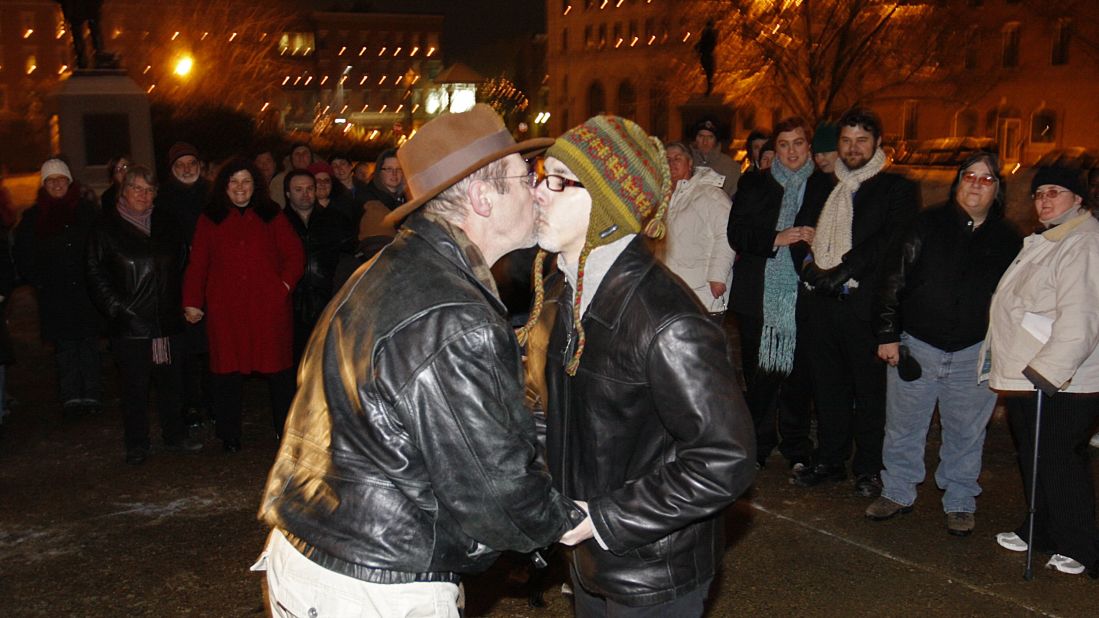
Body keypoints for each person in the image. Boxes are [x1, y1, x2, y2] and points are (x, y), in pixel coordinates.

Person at [256, 104, 588, 617]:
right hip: (372, 582)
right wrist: (576, 520)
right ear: (482, 196)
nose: (538, 191)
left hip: (318, 550)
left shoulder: (388, 268)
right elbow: (495, 495)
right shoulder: (455, 317)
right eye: (527, 178)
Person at [521, 114, 755, 615]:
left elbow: (726, 458)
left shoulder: (666, 322)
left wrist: (605, 519)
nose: (540, 191)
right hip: (588, 557)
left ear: (607, 204)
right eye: (542, 175)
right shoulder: (565, 294)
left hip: (653, 570)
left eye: (559, 181)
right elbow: (549, 412)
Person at [865, 153, 1020, 536]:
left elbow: (1016, 299)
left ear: (997, 189)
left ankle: (960, 499)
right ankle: (898, 491)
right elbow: (891, 279)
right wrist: (887, 334)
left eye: (986, 179)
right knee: (903, 427)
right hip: (918, 345)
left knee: (967, 432)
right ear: (957, 182)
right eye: (970, 176)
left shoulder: (1009, 238)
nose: (976, 185)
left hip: (974, 353)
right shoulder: (925, 224)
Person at [792, 107, 920, 497]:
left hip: (865, 306)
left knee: (868, 392)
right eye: (846, 140)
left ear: (878, 143)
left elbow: (891, 241)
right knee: (827, 386)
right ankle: (831, 459)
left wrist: (844, 271)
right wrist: (811, 270)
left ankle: (868, 467)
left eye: (861, 140)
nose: (852, 148)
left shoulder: (896, 188)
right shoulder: (821, 184)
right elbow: (803, 232)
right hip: (820, 302)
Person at [986, 167, 1099, 577]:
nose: (1045, 200)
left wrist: (1048, 373)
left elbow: (1082, 318)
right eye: (1039, 194)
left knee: (1059, 459)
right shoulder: (1047, 239)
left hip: (1065, 380)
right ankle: (1042, 529)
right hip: (1029, 372)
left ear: (1079, 200)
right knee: (1036, 456)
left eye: (1056, 192)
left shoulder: (1084, 243)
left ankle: (1081, 545)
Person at [728, 117, 833, 470]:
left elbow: (838, 233)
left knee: (797, 375)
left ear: (809, 146)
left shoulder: (826, 186)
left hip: (805, 293)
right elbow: (736, 233)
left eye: (798, 143)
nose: (791, 151)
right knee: (761, 375)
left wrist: (820, 239)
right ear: (776, 148)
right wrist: (777, 236)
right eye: (784, 144)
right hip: (757, 294)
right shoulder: (756, 183)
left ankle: (796, 446)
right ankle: (756, 443)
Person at [182, 158, 303, 451]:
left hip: (268, 308)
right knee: (227, 373)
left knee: (279, 374)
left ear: (255, 185)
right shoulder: (210, 218)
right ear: (224, 186)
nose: (240, 188)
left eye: (246, 181)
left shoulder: (270, 214)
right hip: (227, 310)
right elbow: (198, 263)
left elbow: (295, 255)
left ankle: (284, 430)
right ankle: (229, 434)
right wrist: (192, 301)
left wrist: (283, 287)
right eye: (234, 182)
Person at [86, 165, 203, 464]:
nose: (143, 194)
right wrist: (118, 310)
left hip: (167, 319)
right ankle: (137, 443)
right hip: (130, 324)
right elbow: (95, 274)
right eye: (136, 188)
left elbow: (182, 262)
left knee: (172, 383)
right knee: (135, 387)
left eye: (149, 190)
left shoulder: (166, 222)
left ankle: (174, 436)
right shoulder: (106, 227)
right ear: (124, 191)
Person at [13, 158, 103, 417]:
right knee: (64, 346)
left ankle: (92, 392)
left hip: (85, 290)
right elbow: (23, 253)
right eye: (51, 180)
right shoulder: (33, 217)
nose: (56, 184)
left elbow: (99, 246)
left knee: (88, 343)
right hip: (55, 293)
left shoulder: (86, 211)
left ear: (69, 181)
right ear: (44, 184)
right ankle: (71, 395)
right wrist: (38, 281)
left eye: (61, 179)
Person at [157, 141, 212, 426]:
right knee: (187, 346)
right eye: (181, 165)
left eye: (192, 164)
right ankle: (191, 402)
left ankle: (213, 399)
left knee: (214, 342)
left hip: (212, 279)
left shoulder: (212, 193)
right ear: (173, 169)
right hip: (179, 280)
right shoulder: (163, 198)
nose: (187, 169)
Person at [282, 169, 352, 361]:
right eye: (298, 189)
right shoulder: (279, 224)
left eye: (309, 188)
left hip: (328, 302)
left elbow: (349, 256)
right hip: (290, 304)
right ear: (288, 194)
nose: (306, 194)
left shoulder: (336, 220)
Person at [657, 142, 735, 313]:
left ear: (690, 163)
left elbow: (726, 234)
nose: (672, 163)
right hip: (667, 288)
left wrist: (718, 277)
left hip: (701, 290)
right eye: (667, 159)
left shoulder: (710, 194)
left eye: (678, 158)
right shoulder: (660, 200)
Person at [689, 118, 739, 197]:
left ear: (716, 140)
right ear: (695, 139)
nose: (705, 142)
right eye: (701, 136)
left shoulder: (731, 167)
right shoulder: (686, 163)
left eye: (710, 137)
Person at [269, 143, 314, 208]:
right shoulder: (280, 180)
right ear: (291, 159)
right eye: (297, 154)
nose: (301, 156)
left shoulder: (319, 178)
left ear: (311, 158)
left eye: (305, 153)